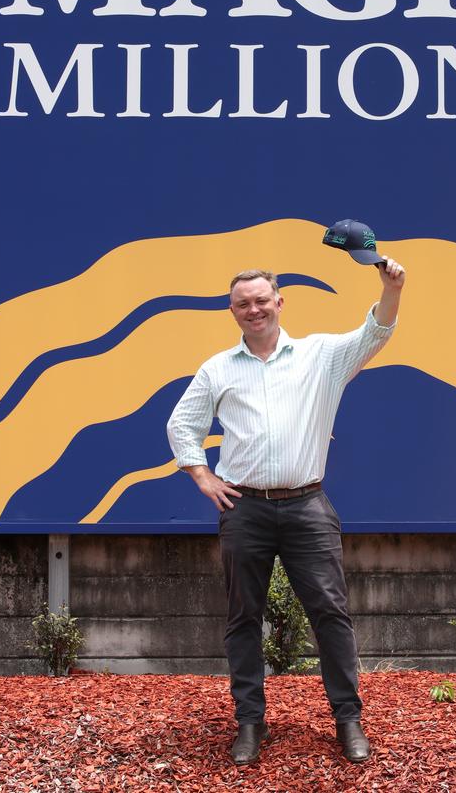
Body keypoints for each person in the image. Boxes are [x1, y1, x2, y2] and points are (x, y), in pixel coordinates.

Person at [167, 257, 405, 765]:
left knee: (331, 615)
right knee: (242, 618)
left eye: (261, 300)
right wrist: (201, 474)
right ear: (232, 311)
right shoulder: (218, 369)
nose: (253, 309)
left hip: (307, 506)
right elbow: (181, 425)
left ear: (280, 302)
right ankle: (249, 724)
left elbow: (375, 331)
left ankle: (348, 720)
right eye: (242, 304)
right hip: (245, 509)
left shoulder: (320, 355)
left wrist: (390, 289)